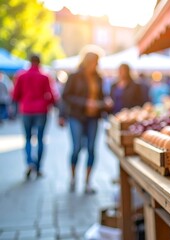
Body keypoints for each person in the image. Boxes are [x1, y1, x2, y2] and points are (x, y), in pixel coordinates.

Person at [61, 50, 112, 194]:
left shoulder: (99, 78)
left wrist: (105, 103)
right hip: (76, 116)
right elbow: (66, 96)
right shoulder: (75, 76)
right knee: (76, 147)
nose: (95, 65)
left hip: (93, 117)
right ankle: (72, 178)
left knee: (91, 149)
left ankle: (88, 182)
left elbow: (102, 96)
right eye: (94, 62)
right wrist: (85, 103)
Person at [12, 55, 57, 179]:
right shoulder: (44, 76)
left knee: (27, 138)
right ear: (39, 62)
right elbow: (51, 94)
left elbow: (15, 95)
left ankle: (29, 162)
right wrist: (50, 104)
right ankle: (38, 167)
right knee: (41, 139)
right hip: (41, 110)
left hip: (26, 110)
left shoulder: (21, 75)